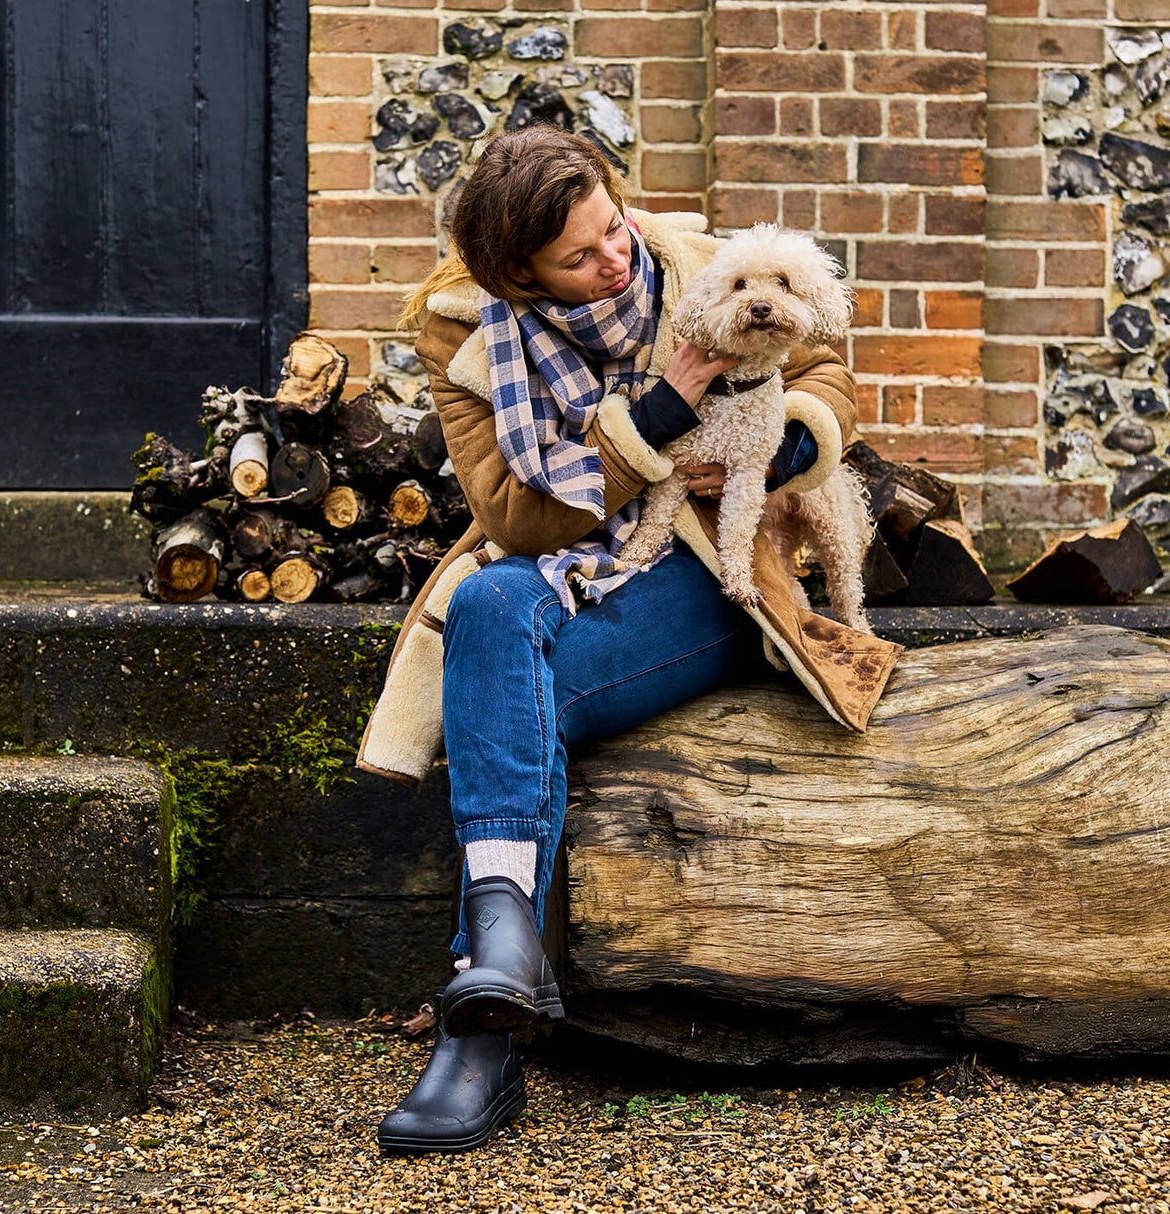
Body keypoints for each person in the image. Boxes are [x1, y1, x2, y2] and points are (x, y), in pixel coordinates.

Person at [358, 125, 897, 1154]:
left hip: (711, 573)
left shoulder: (699, 264)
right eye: (581, 256)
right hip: (573, 555)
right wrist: (656, 409)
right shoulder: (464, 331)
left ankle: (479, 1031)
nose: (617, 258)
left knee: (500, 694)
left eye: (612, 227)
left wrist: (782, 441)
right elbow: (515, 520)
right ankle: (505, 964)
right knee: (485, 604)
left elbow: (824, 371)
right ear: (518, 275)